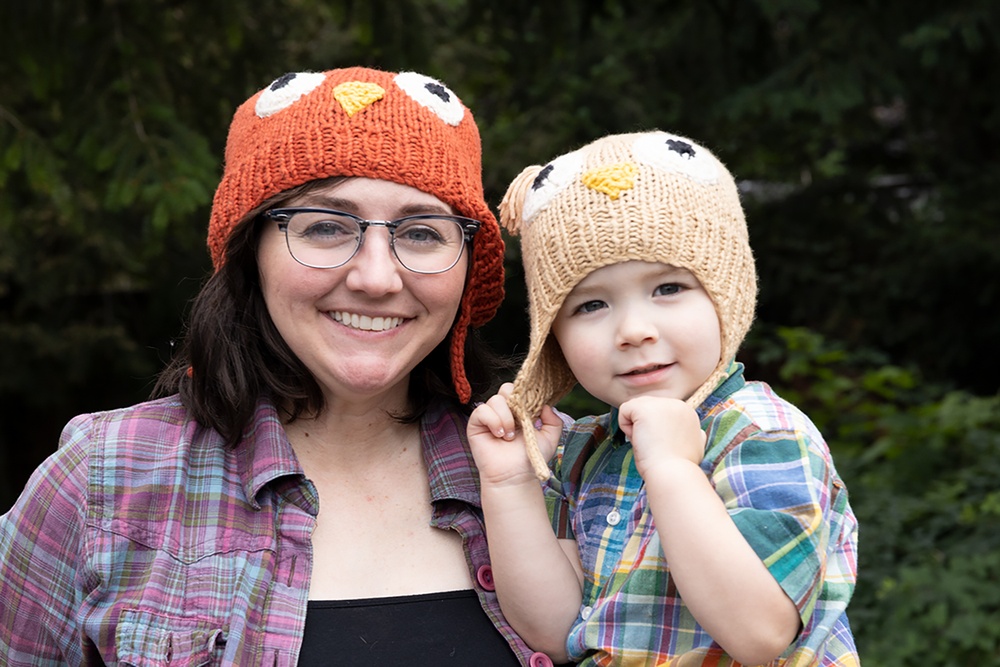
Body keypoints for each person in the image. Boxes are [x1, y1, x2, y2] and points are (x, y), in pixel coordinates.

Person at [0, 66, 556, 666]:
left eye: (422, 232)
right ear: (250, 252)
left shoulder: (566, 476)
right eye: (324, 227)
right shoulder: (103, 480)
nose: (376, 278)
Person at [468, 131, 860, 665]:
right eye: (590, 305)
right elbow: (555, 631)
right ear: (553, 337)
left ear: (728, 292)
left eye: (668, 289)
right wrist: (509, 481)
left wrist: (673, 470)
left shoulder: (761, 433)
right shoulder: (584, 450)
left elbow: (760, 633)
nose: (633, 330)